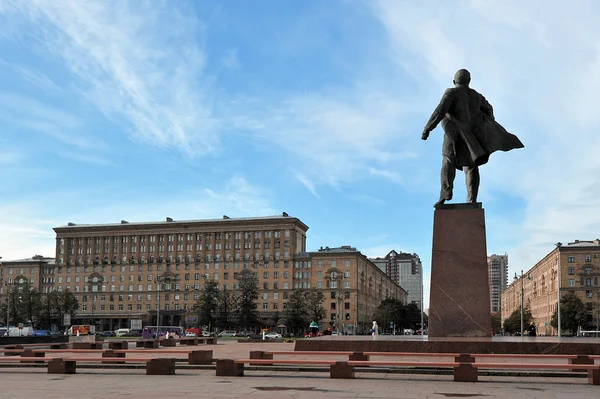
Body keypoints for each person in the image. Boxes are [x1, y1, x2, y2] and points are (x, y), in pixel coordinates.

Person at [422, 69, 524, 206]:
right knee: (471, 165)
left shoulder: (451, 92)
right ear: (469, 81)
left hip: (453, 132)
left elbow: (440, 110)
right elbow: (489, 109)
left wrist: (428, 128)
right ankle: (472, 199)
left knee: (448, 159)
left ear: (454, 81)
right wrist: (485, 122)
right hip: (472, 132)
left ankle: (445, 193)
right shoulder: (477, 96)